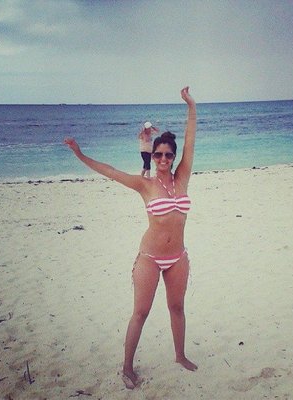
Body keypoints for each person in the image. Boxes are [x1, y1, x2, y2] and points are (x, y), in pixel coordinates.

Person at [64, 87, 197, 389]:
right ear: (152, 155)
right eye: (158, 154)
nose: (163, 158)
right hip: (150, 257)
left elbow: (190, 139)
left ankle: (180, 355)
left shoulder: (183, 177)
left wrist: (191, 106)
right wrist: (80, 154)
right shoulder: (144, 185)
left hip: (178, 257)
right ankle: (127, 367)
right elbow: (110, 171)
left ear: (174, 157)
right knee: (141, 312)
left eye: (168, 154)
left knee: (177, 308)